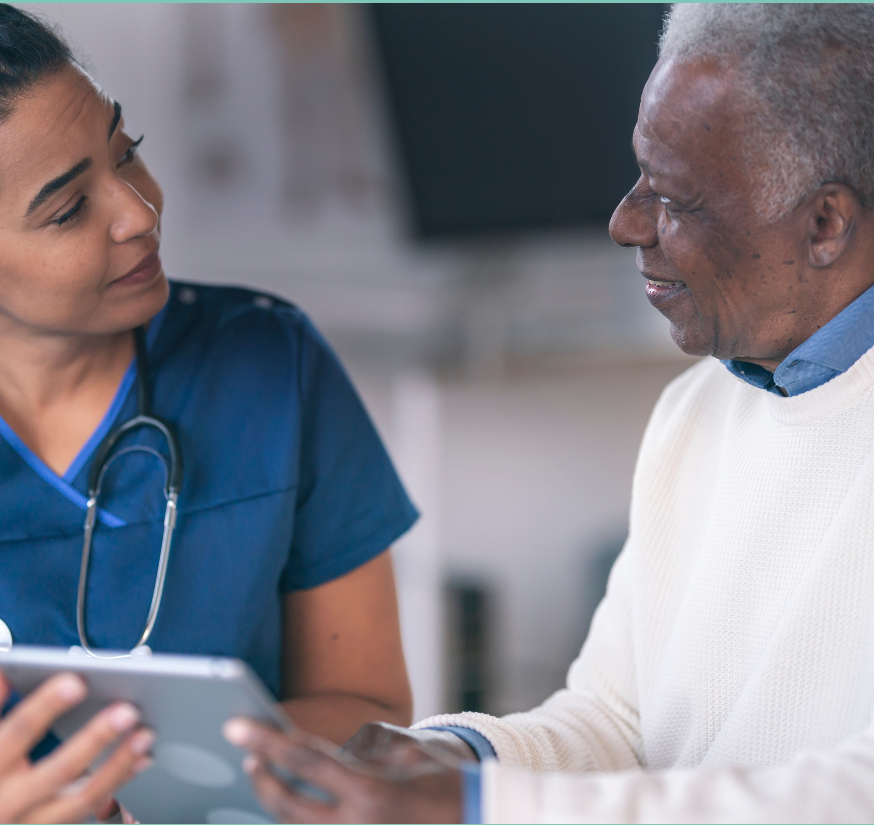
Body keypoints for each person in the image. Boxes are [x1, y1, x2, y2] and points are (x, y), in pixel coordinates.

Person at [225, 4, 874, 822]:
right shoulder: (698, 409)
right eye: (640, 175)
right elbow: (615, 719)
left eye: (675, 199)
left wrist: (477, 806)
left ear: (825, 224)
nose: (626, 222)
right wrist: (451, 756)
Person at [0, 5, 417, 822]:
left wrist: (164, 784)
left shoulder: (272, 360)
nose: (138, 213)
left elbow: (363, 697)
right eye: (67, 209)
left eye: (127, 155)